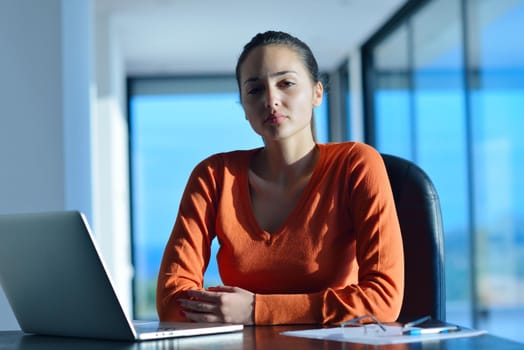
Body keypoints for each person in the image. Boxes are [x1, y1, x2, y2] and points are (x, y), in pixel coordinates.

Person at [156, 30, 404, 326]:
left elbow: (383, 299)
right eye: (255, 90)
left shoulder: (356, 164)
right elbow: (172, 300)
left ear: (317, 93)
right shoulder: (213, 176)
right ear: (244, 108)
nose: (271, 99)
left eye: (286, 83)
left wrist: (255, 310)